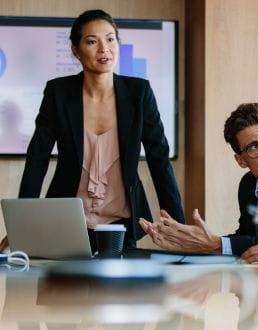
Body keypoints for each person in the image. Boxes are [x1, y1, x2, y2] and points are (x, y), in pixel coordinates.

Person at [0, 9, 184, 252]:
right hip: (66, 222)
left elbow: (159, 158)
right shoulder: (58, 92)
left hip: (122, 223)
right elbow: (38, 157)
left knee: (119, 290)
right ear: (75, 50)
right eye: (91, 41)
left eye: (110, 39)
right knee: (63, 290)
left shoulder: (139, 92)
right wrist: (21, 224)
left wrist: (179, 227)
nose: (104, 49)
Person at [139, 103, 258, 262]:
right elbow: (248, 236)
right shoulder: (249, 184)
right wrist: (194, 242)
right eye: (253, 147)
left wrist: (215, 244)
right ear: (240, 160)